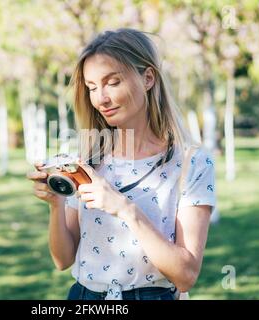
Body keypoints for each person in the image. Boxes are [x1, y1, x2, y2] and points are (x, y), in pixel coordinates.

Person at [26, 28, 216, 300]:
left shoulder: (192, 162)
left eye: (112, 82)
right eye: (92, 88)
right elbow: (62, 259)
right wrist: (55, 205)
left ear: (148, 78)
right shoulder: (88, 159)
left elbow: (185, 276)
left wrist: (124, 208)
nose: (100, 99)